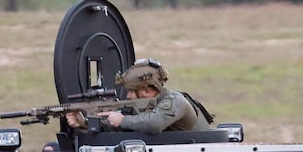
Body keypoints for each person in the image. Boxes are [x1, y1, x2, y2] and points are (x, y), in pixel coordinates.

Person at [65, 58, 212, 134]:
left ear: (147, 90)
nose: (128, 96)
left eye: (131, 91)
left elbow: (154, 123)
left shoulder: (175, 101)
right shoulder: (143, 107)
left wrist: (123, 120)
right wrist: (84, 122)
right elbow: (118, 126)